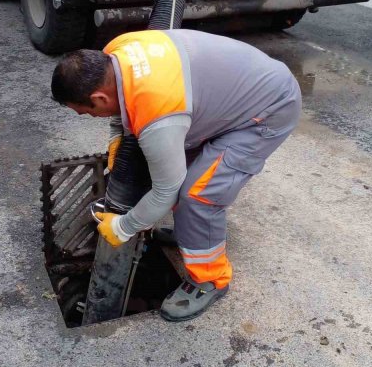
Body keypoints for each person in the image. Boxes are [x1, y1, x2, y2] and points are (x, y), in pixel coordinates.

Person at [51, 29, 301, 322]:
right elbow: (124, 103)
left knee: (198, 194)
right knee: (181, 172)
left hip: (267, 109)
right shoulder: (116, 53)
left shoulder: (158, 114)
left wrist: (124, 227)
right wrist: (117, 136)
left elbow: (164, 191)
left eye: (88, 113)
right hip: (236, 92)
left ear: (98, 96)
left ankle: (210, 280)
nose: (91, 118)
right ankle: (191, 233)